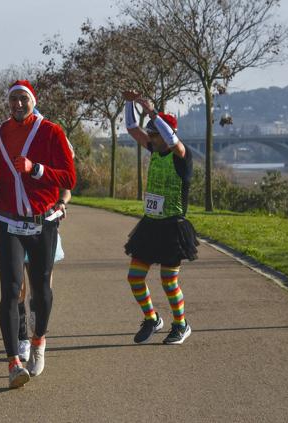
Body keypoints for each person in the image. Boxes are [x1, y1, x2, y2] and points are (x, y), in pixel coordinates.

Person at [0, 79, 76, 388]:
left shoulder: (52, 132)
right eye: (13, 100)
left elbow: (70, 177)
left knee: (41, 289)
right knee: (10, 290)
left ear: (34, 101)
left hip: (42, 220)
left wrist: (37, 169)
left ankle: (38, 341)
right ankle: (13, 363)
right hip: (8, 221)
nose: (18, 104)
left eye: (24, 99)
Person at [122, 90, 199, 345]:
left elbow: (171, 138)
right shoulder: (155, 150)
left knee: (168, 280)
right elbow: (132, 127)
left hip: (173, 228)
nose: (150, 139)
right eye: (151, 134)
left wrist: (152, 111)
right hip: (150, 225)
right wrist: (129, 102)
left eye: (155, 134)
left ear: (166, 134)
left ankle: (181, 324)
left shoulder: (182, 155)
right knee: (135, 277)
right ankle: (152, 318)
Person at [0, 188, 70, 363]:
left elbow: (66, 189)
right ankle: (22, 338)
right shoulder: (10, 161)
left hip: (43, 227)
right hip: (12, 227)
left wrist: (62, 203)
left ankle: (38, 334)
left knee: (42, 289)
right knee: (16, 287)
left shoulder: (47, 162)